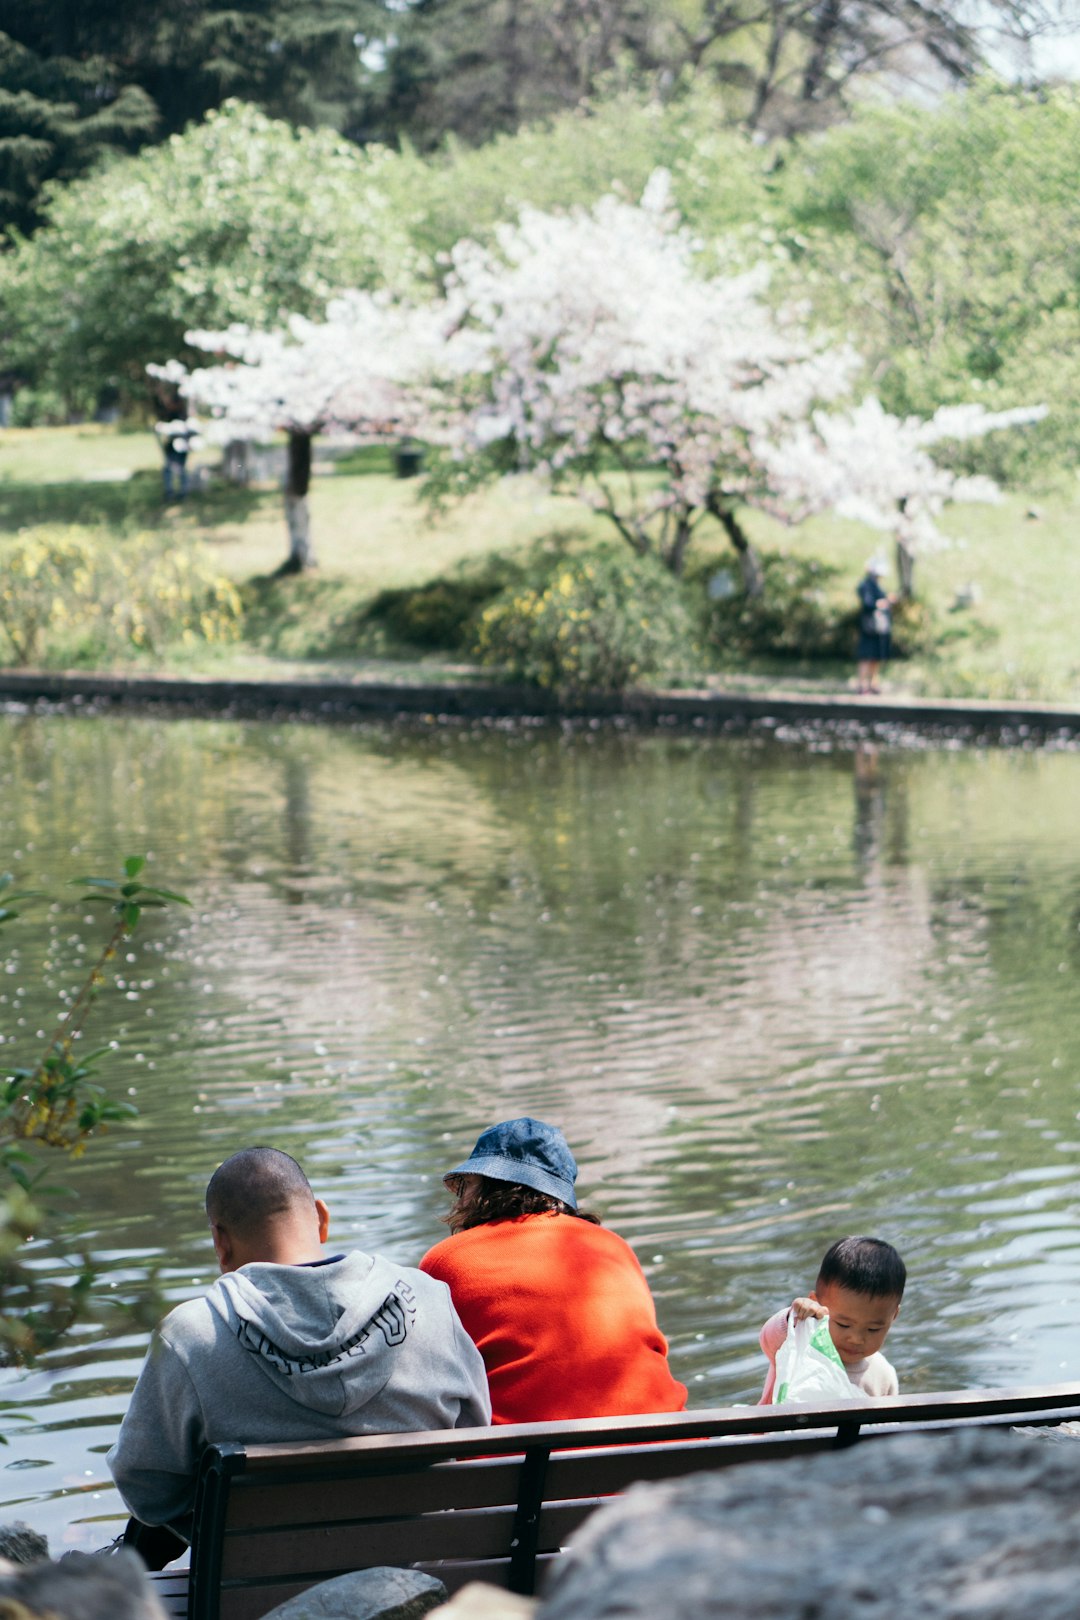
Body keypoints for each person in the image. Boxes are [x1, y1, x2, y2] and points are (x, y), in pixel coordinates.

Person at [107, 1147, 490, 1567]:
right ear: (321, 1218)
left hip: (255, 1596)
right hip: (421, 1579)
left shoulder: (190, 1335)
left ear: (220, 1240)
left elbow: (146, 1488)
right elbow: (473, 1425)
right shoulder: (429, 1298)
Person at [418, 1117, 687, 1424]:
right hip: (665, 1444)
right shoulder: (613, 1247)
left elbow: (428, 1382)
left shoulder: (446, 1261)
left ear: (480, 1188)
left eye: (463, 1186)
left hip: (520, 1465)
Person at [758, 1235, 906, 1404]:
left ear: (893, 1316)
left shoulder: (883, 1375)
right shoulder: (801, 1348)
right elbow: (768, 1339)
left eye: (873, 1329)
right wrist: (796, 1318)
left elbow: (888, 1426)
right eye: (843, 1325)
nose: (856, 1339)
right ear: (816, 1304)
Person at [856, 556, 895, 694]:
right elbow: (868, 604)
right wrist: (884, 602)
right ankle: (862, 685)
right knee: (866, 656)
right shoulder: (866, 585)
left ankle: (873, 683)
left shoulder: (876, 585)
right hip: (869, 627)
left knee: (875, 657)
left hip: (878, 628)